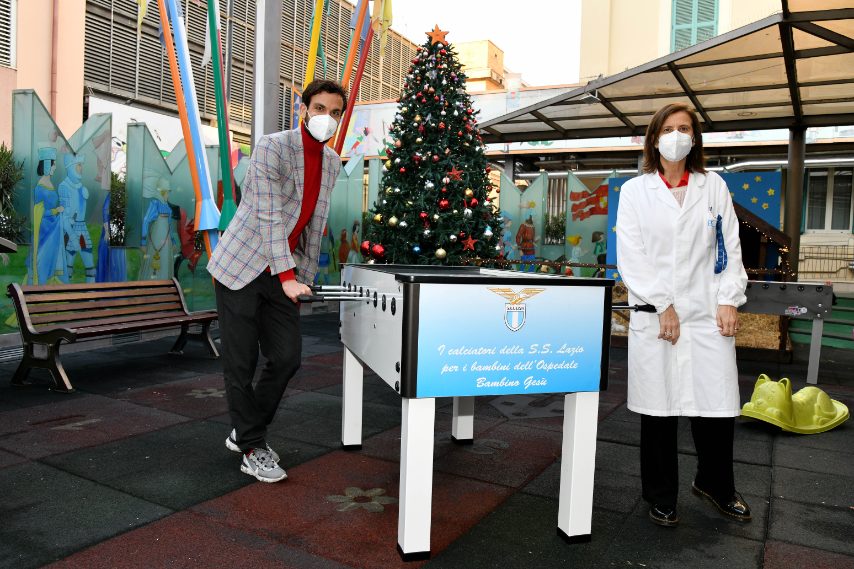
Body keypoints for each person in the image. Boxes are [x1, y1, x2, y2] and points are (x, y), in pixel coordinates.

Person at [615, 103, 751, 528]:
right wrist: (663, 304)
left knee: (716, 406)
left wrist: (729, 299)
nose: (677, 136)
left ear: (695, 138)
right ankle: (661, 495)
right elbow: (632, 257)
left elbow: (730, 247)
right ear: (654, 139)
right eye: (669, 129)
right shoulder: (635, 192)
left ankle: (715, 485)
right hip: (657, 315)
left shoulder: (714, 187)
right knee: (659, 409)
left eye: (685, 128)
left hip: (707, 312)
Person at [207, 79, 347, 483]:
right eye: (319, 108)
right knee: (240, 362)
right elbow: (268, 214)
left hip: (284, 273)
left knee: (287, 357)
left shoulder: (332, 162)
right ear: (303, 109)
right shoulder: (272, 146)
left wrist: (301, 276)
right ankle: (253, 447)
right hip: (242, 266)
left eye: (334, 112)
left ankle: (244, 431)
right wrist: (287, 277)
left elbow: (315, 223)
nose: (326, 118)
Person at [29, 146, 64, 284]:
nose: (55, 167)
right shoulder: (40, 187)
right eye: (53, 164)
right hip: (44, 229)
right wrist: (56, 210)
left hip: (53, 226)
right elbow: (39, 213)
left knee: (51, 257)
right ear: (47, 164)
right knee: (43, 257)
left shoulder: (49, 183)